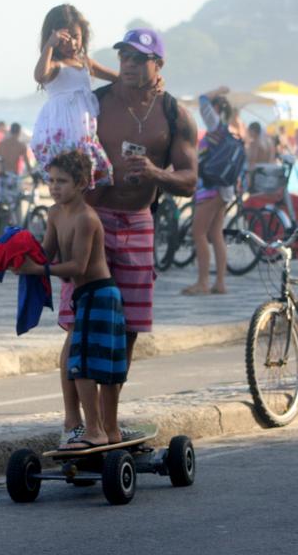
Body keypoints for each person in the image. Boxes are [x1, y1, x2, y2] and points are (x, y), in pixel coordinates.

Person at [57, 28, 198, 444]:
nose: (131, 65)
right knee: (78, 325)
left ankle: (109, 425)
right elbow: (59, 118)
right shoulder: (94, 102)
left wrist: (156, 173)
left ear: (159, 65)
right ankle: (74, 424)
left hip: (138, 221)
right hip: (91, 218)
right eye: (125, 57)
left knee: (127, 328)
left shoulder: (174, 113)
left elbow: (190, 180)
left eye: (140, 58)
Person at [16, 150, 127, 449]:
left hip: (100, 294)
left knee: (87, 366)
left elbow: (77, 265)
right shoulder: (54, 213)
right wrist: (16, 254)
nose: (54, 187)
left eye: (62, 181)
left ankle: (96, 430)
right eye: (50, 181)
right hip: (83, 296)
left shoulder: (86, 218)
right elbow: (47, 254)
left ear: (81, 183)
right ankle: (108, 431)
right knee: (83, 362)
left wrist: (37, 268)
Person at [30, 3, 118, 190]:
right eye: (64, 39)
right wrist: (49, 46)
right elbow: (39, 75)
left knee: (88, 182)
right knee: (67, 181)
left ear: (83, 35)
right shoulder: (54, 65)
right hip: (62, 136)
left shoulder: (85, 63)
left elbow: (117, 78)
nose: (71, 44)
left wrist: (152, 81)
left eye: (76, 37)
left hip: (85, 132)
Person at [182, 86, 237, 296]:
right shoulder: (226, 130)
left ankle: (203, 282)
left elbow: (202, 99)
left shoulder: (215, 126)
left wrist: (219, 90)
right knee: (215, 234)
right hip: (224, 189)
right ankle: (220, 283)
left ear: (216, 109)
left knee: (199, 233)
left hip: (211, 189)